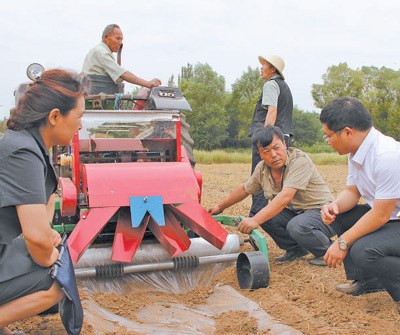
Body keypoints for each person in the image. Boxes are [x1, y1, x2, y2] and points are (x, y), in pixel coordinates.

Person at [0, 69, 88, 334]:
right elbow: (37, 239)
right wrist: (52, 258)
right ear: (54, 117)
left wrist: (48, 238)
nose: (81, 126)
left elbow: (39, 224)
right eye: (79, 117)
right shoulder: (24, 153)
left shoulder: (25, 143)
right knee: (57, 283)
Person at [209, 126, 336, 264]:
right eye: (266, 151)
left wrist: (255, 220)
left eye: (276, 148)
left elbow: (285, 196)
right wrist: (220, 207)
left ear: (284, 144)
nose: (273, 154)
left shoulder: (299, 160)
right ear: (260, 153)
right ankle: (296, 249)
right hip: (300, 214)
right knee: (266, 216)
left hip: (325, 215)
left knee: (295, 225)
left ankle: (327, 251)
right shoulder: (262, 168)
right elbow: (245, 189)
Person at [320, 97, 400, 311]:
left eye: (328, 135)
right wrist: (335, 206)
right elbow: (352, 192)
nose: (328, 141)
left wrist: (342, 242)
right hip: (392, 216)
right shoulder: (356, 152)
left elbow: (381, 215)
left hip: (391, 216)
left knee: (364, 250)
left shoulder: (387, 155)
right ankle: (368, 281)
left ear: (347, 132)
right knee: (343, 217)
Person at [248, 55, 293, 217]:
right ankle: (277, 215)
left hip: (270, 139)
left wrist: (265, 138)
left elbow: (272, 111)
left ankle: (256, 216)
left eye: (264, 65)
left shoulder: (270, 85)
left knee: (261, 177)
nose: (261, 68)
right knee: (278, 179)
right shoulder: (284, 87)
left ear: (273, 69)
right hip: (282, 139)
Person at [81, 24, 161, 92]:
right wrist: (148, 84)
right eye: (117, 38)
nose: (120, 43)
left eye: (121, 40)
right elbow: (122, 74)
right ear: (106, 37)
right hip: (95, 94)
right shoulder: (101, 52)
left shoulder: (101, 51)